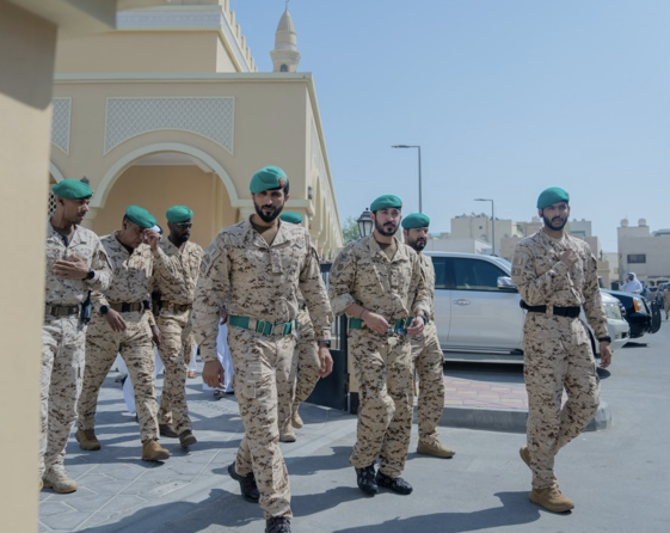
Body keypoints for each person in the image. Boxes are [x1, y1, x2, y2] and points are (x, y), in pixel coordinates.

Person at [192, 166, 333, 533]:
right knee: (267, 430)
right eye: (262, 195)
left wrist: (323, 341)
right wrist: (208, 355)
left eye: (275, 194)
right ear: (252, 198)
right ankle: (278, 512)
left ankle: (242, 468)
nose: (269, 201)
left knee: (272, 420)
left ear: (285, 196)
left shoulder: (300, 239)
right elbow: (206, 299)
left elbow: (316, 292)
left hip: (287, 341)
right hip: (248, 341)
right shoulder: (229, 240)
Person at [511, 187, 612, 513]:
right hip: (542, 330)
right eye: (551, 208)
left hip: (576, 332)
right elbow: (529, 293)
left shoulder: (581, 248)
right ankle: (543, 485)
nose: (558, 212)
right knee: (545, 411)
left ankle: (539, 453)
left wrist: (603, 337)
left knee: (588, 400)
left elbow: (592, 295)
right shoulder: (526, 248)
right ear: (541, 213)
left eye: (562, 207)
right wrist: (560, 267)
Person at [328, 194, 430, 497]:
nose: (390, 218)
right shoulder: (354, 253)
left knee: (401, 406)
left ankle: (390, 471)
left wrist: (421, 315)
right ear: (373, 218)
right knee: (377, 403)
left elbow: (421, 291)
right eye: (384, 213)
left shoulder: (410, 257)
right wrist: (364, 315)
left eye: (395, 213)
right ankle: (363, 464)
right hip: (366, 340)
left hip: (400, 342)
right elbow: (336, 294)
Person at [76, 206, 171, 462]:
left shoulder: (147, 251)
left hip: (137, 326)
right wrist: (105, 309)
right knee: (92, 381)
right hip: (104, 325)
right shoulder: (101, 245)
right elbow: (89, 285)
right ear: (125, 223)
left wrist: (151, 324)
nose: (142, 237)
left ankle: (150, 441)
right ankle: (84, 428)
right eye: (139, 231)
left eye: (146, 233)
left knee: (146, 384)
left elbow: (152, 289)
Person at [41, 179, 112, 493]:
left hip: (74, 328)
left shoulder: (90, 239)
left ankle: (54, 467)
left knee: (66, 403)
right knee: (37, 402)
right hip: (39, 324)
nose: (85, 209)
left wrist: (88, 275)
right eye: (79, 203)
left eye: (87, 202)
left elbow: (107, 279)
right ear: (59, 200)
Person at [401, 213, 455, 459]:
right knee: (401, 391)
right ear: (405, 234)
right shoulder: (398, 260)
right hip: (404, 334)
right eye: (417, 232)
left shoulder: (428, 261)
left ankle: (428, 438)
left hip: (429, 332)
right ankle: (389, 443)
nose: (423, 236)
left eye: (425, 231)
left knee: (434, 386)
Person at [152, 205, 204, 448]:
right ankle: (183, 425)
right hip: (167, 315)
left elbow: (205, 283)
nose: (188, 230)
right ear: (170, 225)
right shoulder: (156, 251)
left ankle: (163, 418)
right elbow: (147, 288)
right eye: (183, 226)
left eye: (190, 225)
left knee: (178, 368)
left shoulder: (196, 251)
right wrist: (150, 322)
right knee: (175, 368)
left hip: (190, 317)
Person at [276, 211, 322, 443]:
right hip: (282, 317)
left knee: (314, 366)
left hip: (303, 315)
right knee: (287, 374)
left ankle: (294, 405)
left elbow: (316, 290)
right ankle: (283, 424)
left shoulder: (306, 249)